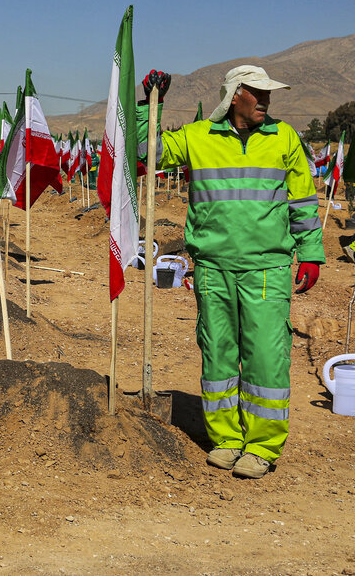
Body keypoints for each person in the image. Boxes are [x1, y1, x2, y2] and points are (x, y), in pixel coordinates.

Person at [141, 66, 324, 479]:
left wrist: (311, 253)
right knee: (218, 355)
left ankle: (262, 445)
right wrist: (148, 104)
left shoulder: (285, 139)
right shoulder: (196, 137)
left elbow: (303, 203)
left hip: (267, 268)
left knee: (265, 358)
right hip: (213, 270)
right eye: (256, 93)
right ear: (234, 94)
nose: (265, 101)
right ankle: (225, 438)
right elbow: (140, 152)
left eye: (268, 94)